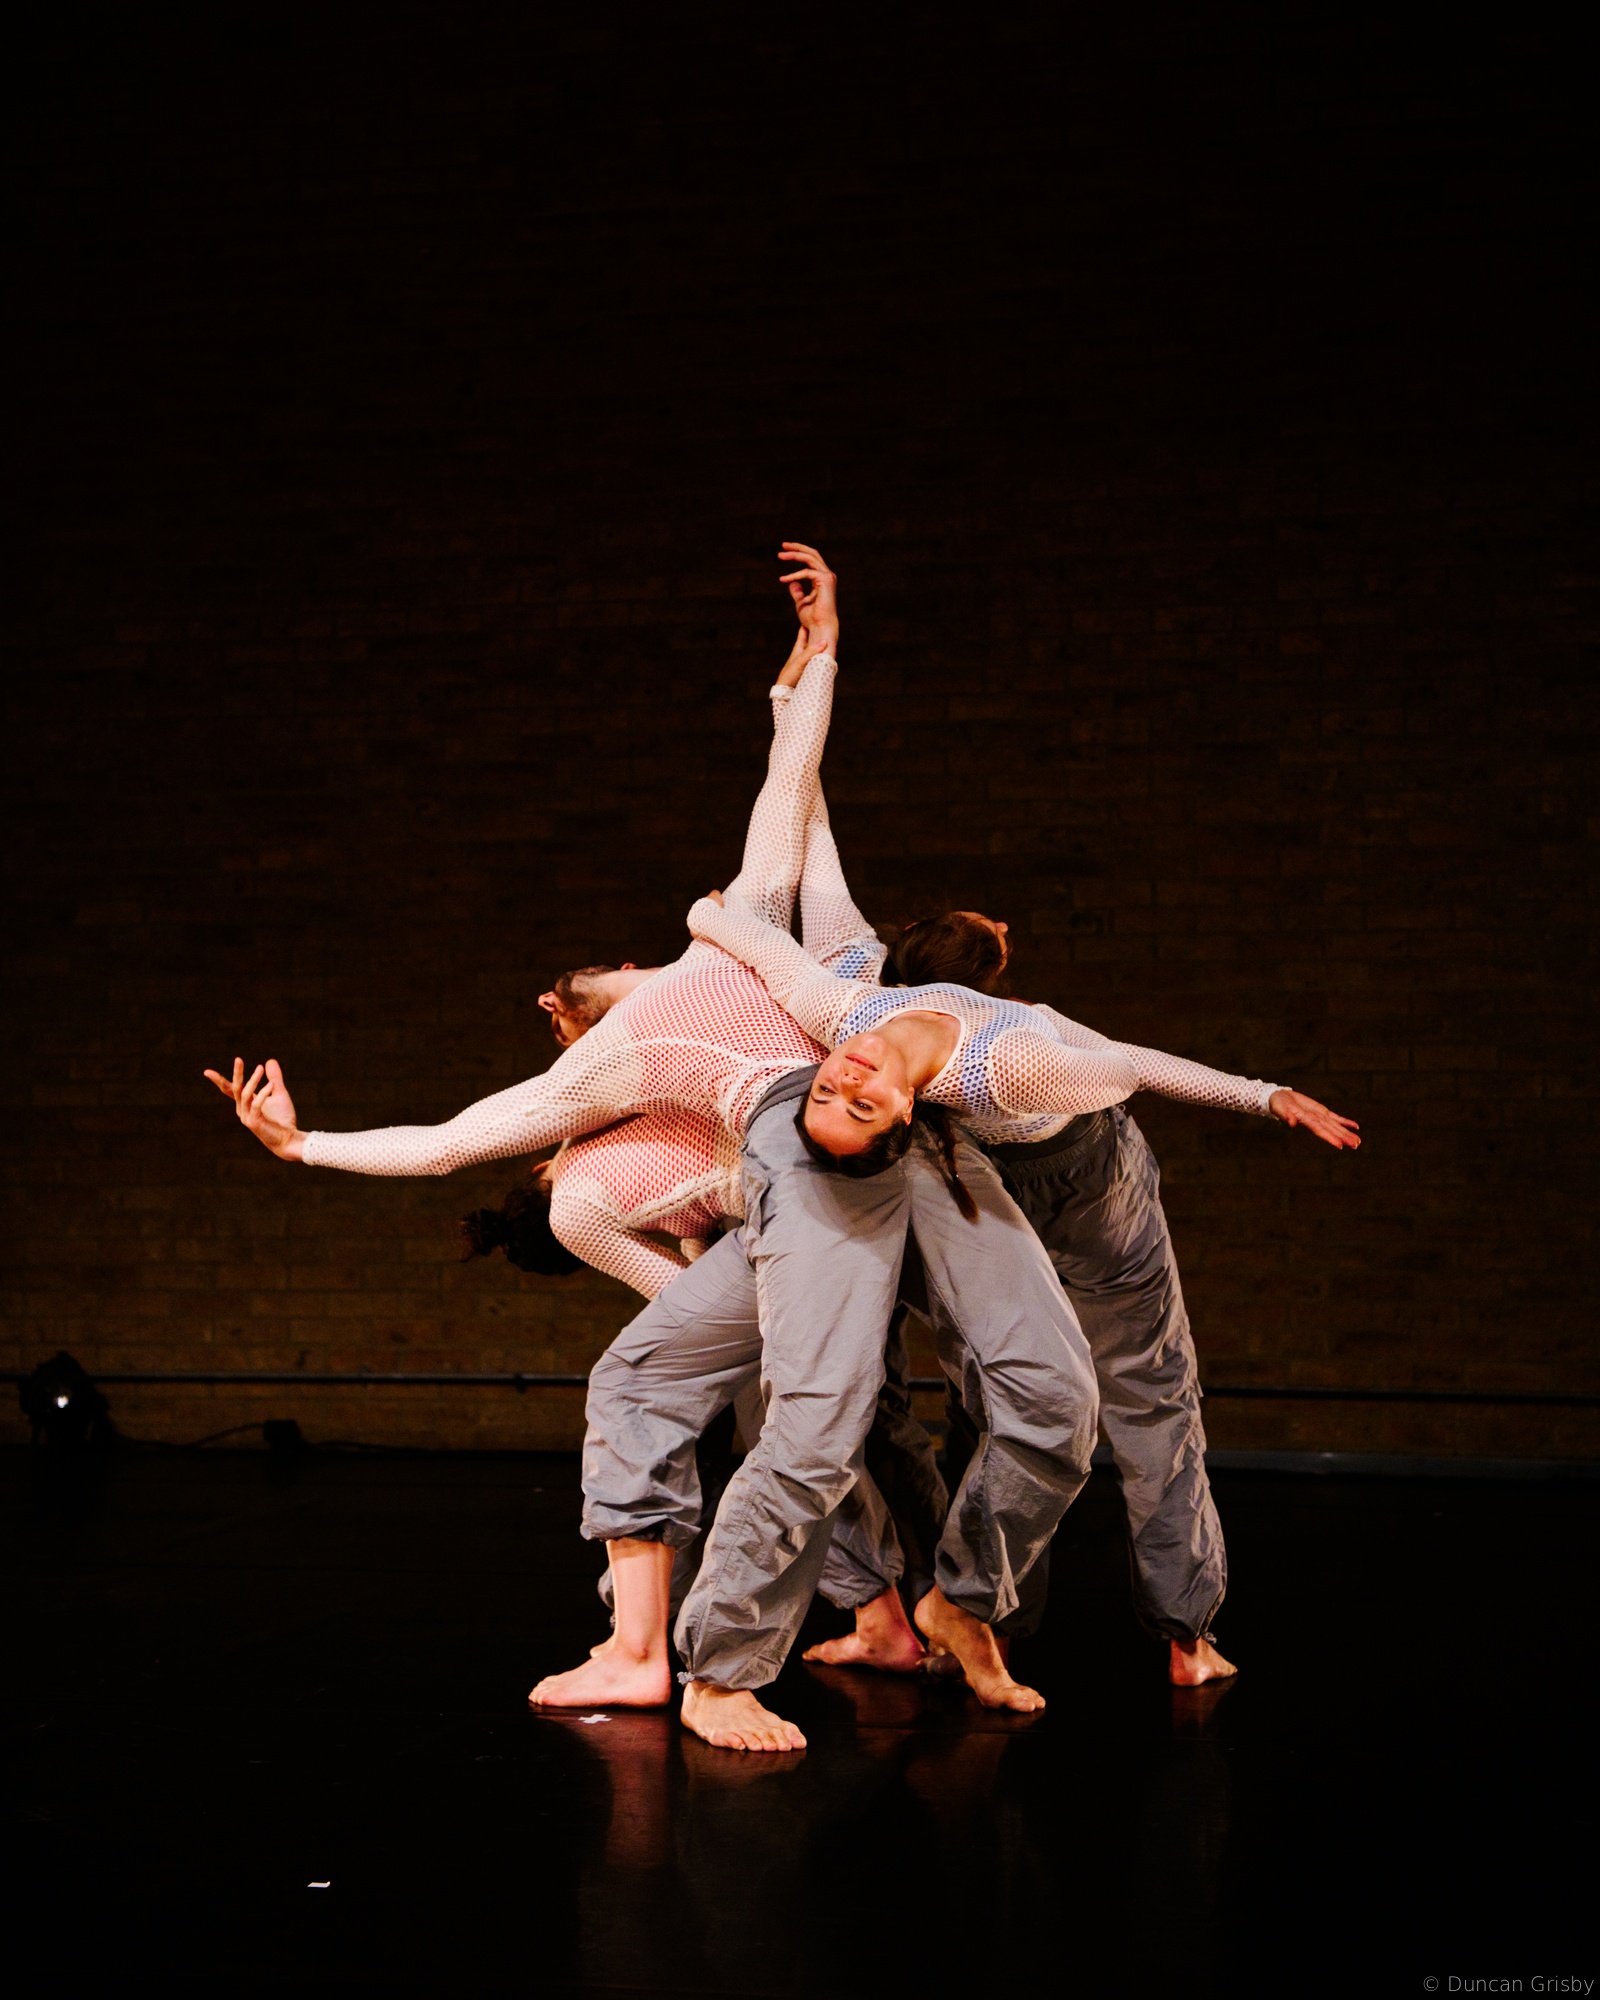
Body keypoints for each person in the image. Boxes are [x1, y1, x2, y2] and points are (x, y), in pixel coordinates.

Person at [206, 547, 1100, 1751]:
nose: (567, 989)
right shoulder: (629, 1050)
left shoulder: (714, 949)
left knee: (955, 1398)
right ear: (588, 1011)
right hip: (816, 1189)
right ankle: (759, 1637)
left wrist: (812, 658)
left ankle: (881, 1615)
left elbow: (789, 785)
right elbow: (458, 1142)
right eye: (567, 993)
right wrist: (302, 1143)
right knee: (785, 1403)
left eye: (568, 984)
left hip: (896, 1150)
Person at [686, 807, 1361, 1684]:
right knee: (1135, 1392)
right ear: (987, 968)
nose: (842, 1078)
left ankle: (1056, 1623)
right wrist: (1260, 1093)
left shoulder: (852, 1007)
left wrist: (718, 906)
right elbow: (1131, 1066)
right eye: (995, 928)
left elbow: (788, 889)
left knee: (1031, 1394)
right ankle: (1092, 1627)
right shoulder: (1013, 1047)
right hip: (1062, 1185)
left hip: (999, 1183)